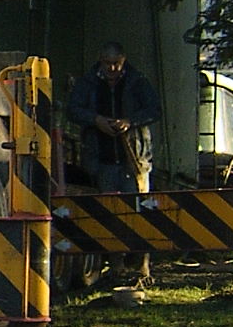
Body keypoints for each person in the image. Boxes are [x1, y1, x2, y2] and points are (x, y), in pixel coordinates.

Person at [66, 40, 162, 286]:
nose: (112, 69)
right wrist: (96, 120)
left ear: (123, 60)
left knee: (140, 211)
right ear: (100, 61)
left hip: (134, 159)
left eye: (116, 64)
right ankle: (116, 266)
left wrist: (130, 122)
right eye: (107, 64)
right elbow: (73, 110)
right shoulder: (88, 83)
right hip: (101, 159)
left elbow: (154, 110)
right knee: (108, 213)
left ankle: (142, 266)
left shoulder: (138, 81)